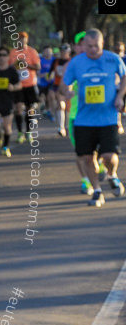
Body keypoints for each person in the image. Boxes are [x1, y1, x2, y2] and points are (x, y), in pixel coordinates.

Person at [58, 29, 126, 207]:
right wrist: (67, 91)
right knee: (87, 158)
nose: (93, 49)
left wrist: (120, 97)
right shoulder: (76, 63)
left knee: (109, 156)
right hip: (83, 119)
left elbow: (125, 75)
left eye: (96, 46)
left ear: (102, 44)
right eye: (89, 46)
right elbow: (63, 85)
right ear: (83, 46)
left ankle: (112, 175)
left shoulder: (112, 59)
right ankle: (97, 191)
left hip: (108, 118)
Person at [12, 31, 41, 143]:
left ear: (26, 40)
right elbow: (9, 67)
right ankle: (20, 132)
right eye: (19, 38)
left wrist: (26, 64)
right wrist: (15, 66)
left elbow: (38, 67)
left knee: (30, 109)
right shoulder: (13, 52)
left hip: (30, 85)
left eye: (23, 38)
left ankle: (28, 132)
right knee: (18, 108)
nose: (21, 40)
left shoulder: (32, 52)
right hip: (18, 85)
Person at [50, 44, 72, 136]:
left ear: (69, 52)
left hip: (69, 86)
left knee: (68, 107)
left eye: (65, 52)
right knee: (60, 105)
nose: (63, 54)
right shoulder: (56, 61)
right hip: (58, 85)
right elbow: (50, 72)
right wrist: (49, 77)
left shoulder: (72, 61)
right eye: (62, 52)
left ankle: (67, 127)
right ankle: (61, 127)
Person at [37, 45, 55, 119]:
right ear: (43, 53)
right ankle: (45, 107)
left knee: (50, 96)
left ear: (52, 52)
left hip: (52, 82)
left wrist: (53, 75)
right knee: (43, 98)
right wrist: (43, 75)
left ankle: (51, 112)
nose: (47, 53)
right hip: (42, 83)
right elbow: (37, 72)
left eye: (49, 51)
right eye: (46, 51)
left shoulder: (54, 60)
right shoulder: (40, 60)